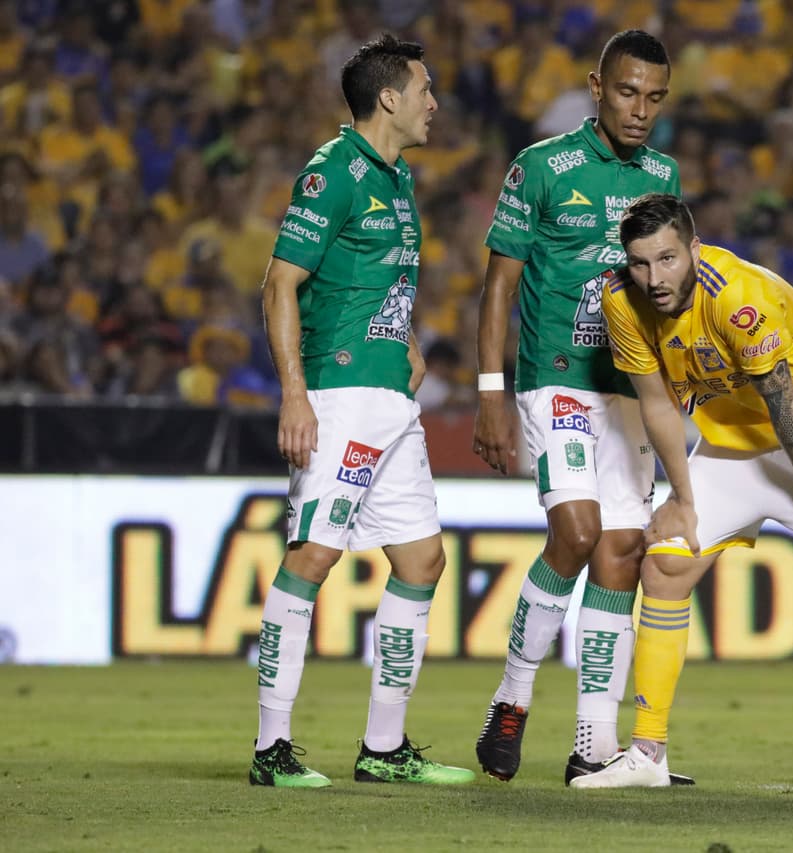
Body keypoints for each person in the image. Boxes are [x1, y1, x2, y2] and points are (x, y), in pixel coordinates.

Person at [570, 194, 793, 793]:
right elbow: (655, 402)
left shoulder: (738, 296)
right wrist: (681, 497)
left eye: (668, 259)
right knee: (667, 565)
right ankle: (647, 753)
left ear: (694, 249)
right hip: (734, 438)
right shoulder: (621, 300)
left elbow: (783, 398)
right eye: (641, 263)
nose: (655, 278)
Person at [251, 33, 473, 789]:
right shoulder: (332, 172)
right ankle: (271, 747)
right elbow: (280, 285)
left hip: (391, 396)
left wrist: (405, 337)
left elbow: (371, 277)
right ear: (389, 98)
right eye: (425, 88)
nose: (434, 103)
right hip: (339, 396)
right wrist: (294, 393)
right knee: (313, 556)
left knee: (422, 559)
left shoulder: (397, 176)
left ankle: (384, 748)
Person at [471, 30, 691, 786]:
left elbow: (671, 287)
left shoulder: (663, 176)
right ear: (596, 87)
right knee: (578, 530)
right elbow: (500, 284)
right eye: (628, 92)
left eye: (655, 97)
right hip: (555, 377)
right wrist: (491, 393)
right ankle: (512, 696)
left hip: (629, 388)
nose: (640, 110)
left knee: (622, 552)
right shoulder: (541, 166)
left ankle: (593, 745)